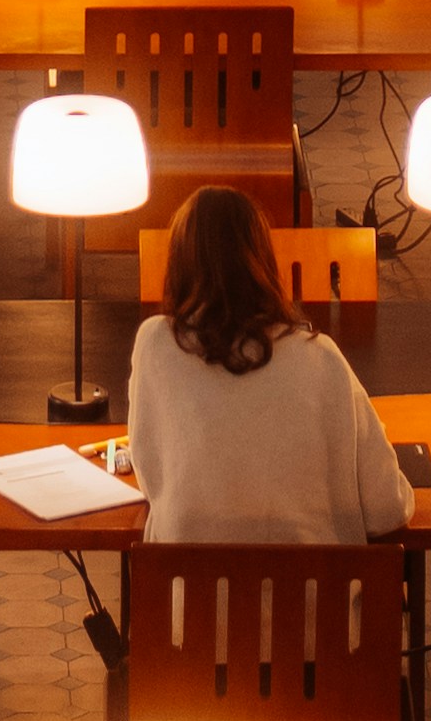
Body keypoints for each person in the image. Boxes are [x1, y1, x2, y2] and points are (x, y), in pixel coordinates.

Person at [120, 182, 415, 544]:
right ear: (264, 260)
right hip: (314, 599)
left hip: (188, 598)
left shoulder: (155, 346)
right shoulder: (321, 357)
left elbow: (152, 483)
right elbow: (388, 510)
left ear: (178, 262)